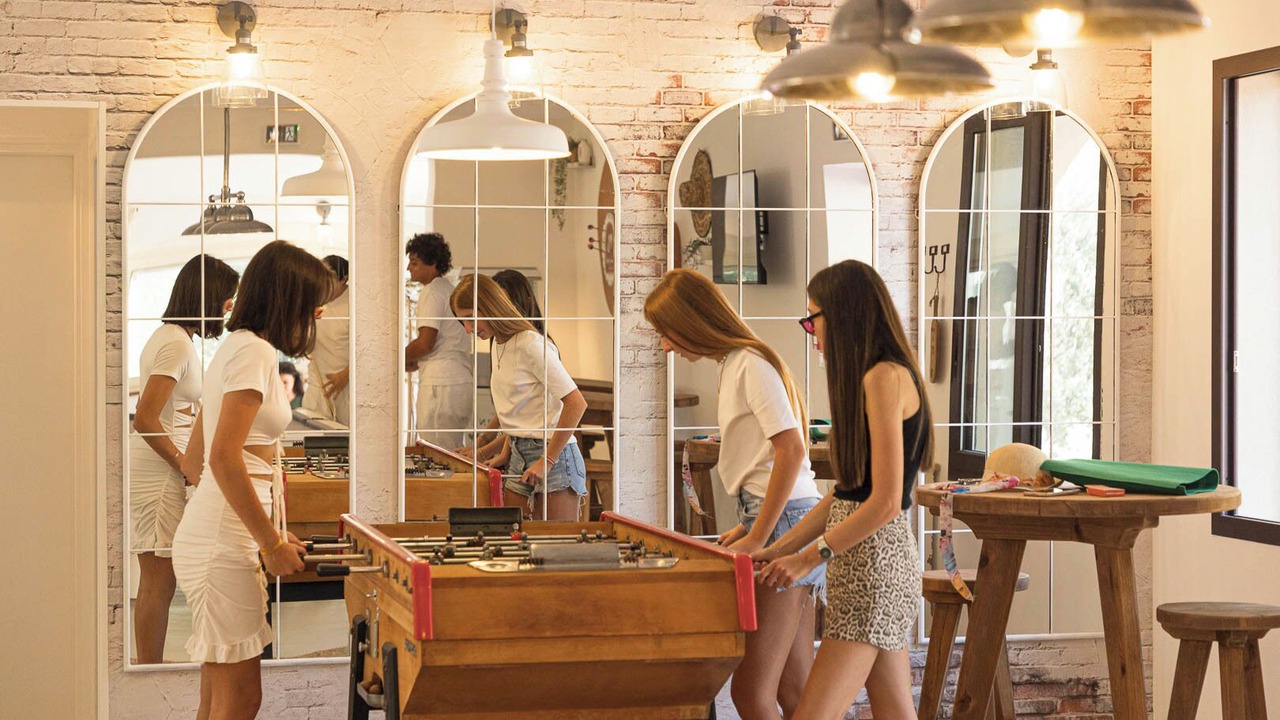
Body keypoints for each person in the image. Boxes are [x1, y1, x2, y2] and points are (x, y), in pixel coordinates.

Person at [753, 259, 933, 720]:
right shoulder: (876, 377)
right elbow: (847, 495)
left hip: (875, 567)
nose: (810, 329)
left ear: (845, 314)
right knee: (895, 711)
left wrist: (807, 558)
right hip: (868, 567)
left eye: (814, 317)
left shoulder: (883, 378)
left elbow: (887, 503)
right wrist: (779, 549)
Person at [644, 268, 823, 720]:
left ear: (689, 323)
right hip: (782, 516)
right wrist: (749, 524)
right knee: (796, 691)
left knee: (751, 693)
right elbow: (769, 462)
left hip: (784, 523)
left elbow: (791, 450)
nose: (665, 346)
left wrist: (760, 535)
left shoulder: (749, 364)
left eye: (665, 334)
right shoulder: (737, 363)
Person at [172, 241, 333, 720]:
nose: (317, 316)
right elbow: (221, 460)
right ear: (289, 301)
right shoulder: (255, 354)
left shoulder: (235, 347)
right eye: (314, 305)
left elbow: (197, 457)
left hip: (216, 534)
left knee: (216, 700)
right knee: (241, 701)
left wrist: (268, 531)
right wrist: (268, 543)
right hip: (223, 541)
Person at [129, 254, 239, 664]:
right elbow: (145, 417)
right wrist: (183, 463)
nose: (229, 306)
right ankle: (148, 670)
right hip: (158, 475)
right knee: (158, 581)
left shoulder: (174, 338)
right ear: (206, 297)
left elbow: (173, 409)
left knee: (161, 580)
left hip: (163, 468)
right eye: (226, 298)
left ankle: (148, 667)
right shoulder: (175, 343)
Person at [450, 273, 587, 521]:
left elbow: (576, 403)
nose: (468, 329)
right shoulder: (499, 344)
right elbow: (516, 411)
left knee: (555, 548)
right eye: (463, 322)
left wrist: (546, 461)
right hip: (518, 453)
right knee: (515, 540)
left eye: (471, 319)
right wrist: (500, 450)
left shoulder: (532, 344)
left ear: (491, 307)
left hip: (554, 455)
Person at [404, 233, 473, 448]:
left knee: (436, 452)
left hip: (441, 384)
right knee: (451, 448)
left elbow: (425, 343)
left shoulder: (433, 292)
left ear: (432, 263)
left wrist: (396, 359)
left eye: (414, 263)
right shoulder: (447, 289)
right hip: (456, 379)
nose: (409, 268)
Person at [301, 254, 351, 424]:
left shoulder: (356, 304)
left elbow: (369, 347)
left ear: (344, 279)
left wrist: (347, 373)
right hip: (316, 385)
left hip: (346, 389)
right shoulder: (312, 301)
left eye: (328, 280)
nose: (322, 286)